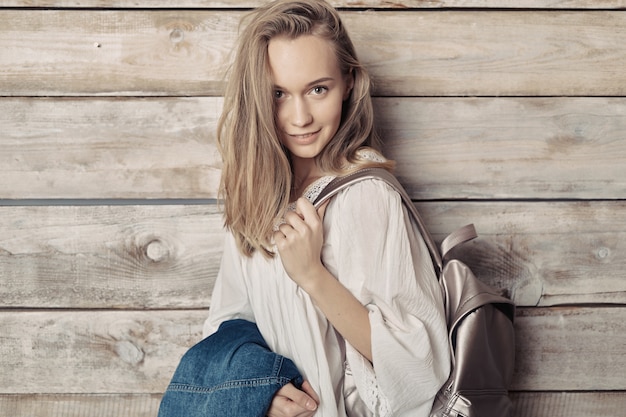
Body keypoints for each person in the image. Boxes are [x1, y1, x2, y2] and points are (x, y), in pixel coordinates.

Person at [162, 0, 450, 416]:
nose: (300, 118)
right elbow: (229, 324)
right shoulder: (257, 194)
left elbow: (420, 365)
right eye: (278, 94)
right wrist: (262, 392)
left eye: (318, 89)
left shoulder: (366, 196)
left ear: (348, 82)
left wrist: (312, 276)